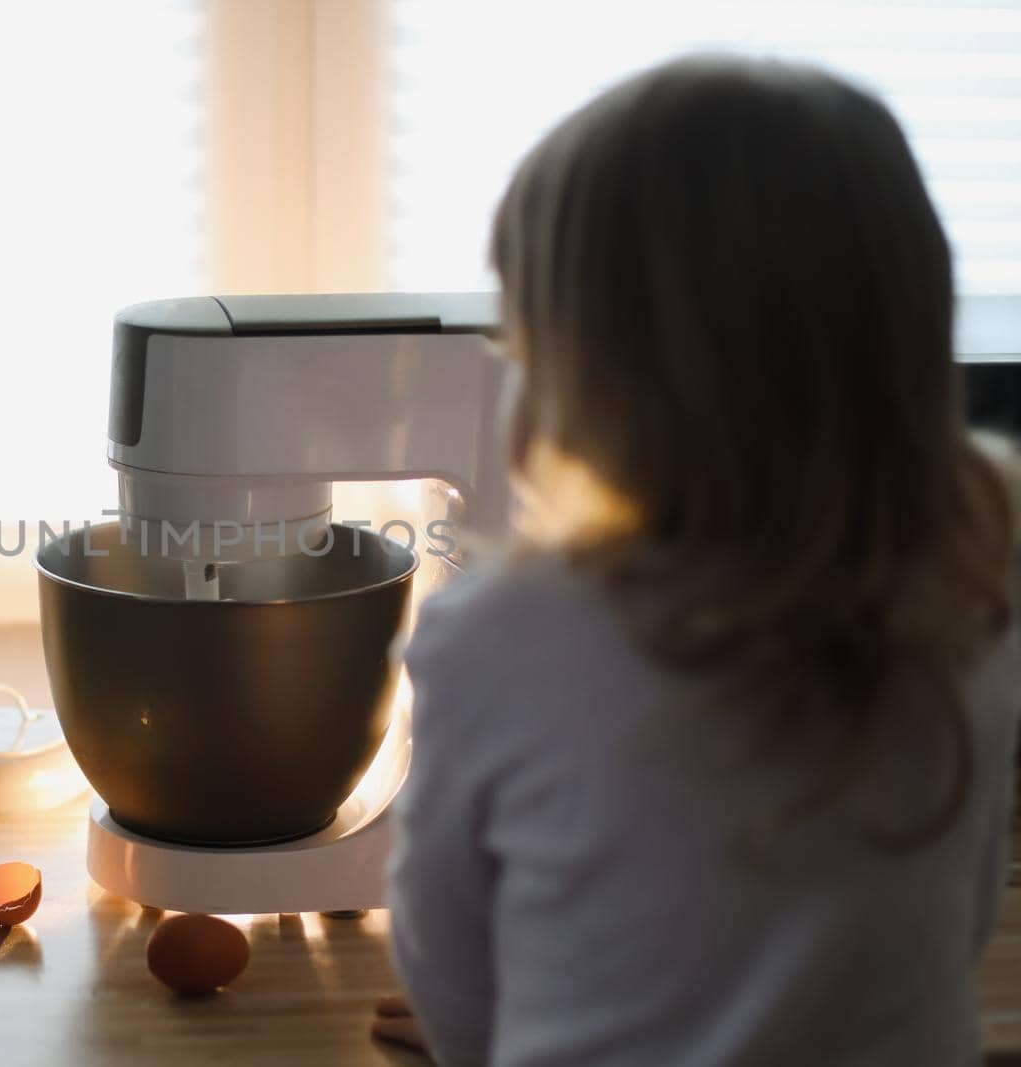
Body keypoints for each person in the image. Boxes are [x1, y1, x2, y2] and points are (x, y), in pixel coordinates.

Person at [378, 55, 1020, 1066]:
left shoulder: (500, 635)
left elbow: (448, 966)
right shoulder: (983, 571)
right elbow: (958, 912)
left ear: (603, 383)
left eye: (528, 345)